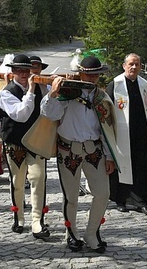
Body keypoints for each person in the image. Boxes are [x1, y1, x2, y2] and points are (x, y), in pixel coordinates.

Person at [40, 55, 117, 253]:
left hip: (95, 150)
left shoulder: (101, 97)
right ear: (80, 73)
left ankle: (92, 233)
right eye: (88, 74)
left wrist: (109, 156)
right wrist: (53, 94)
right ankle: (71, 233)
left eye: (96, 75)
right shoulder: (67, 92)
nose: (92, 78)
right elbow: (50, 114)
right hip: (69, 150)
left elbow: (107, 128)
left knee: (103, 193)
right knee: (71, 197)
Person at [0, 54, 50, 240]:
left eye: (26, 70)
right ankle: (19, 217)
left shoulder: (41, 89)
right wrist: (31, 91)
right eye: (19, 70)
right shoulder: (6, 93)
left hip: (35, 141)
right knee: (17, 182)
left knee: (39, 178)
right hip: (15, 142)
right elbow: (21, 114)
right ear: (12, 72)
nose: (23, 73)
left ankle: (37, 221)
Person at [106, 53, 147, 216]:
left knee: (143, 168)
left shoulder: (144, 84)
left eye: (137, 64)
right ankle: (121, 200)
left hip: (143, 134)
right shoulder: (115, 85)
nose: (134, 67)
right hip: (122, 135)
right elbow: (106, 112)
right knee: (123, 168)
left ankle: (142, 202)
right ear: (124, 66)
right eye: (131, 64)